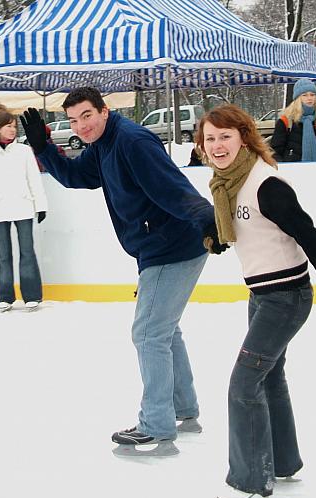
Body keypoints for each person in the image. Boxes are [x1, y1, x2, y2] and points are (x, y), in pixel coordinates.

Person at [20, 87, 223, 455]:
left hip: (172, 246)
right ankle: (183, 409)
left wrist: (206, 217)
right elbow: (74, 176)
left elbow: (170, 186)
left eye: (86, 116)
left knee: (148, 333)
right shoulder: (103, 145)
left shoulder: (132, 141)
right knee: (164, 330)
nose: (80, 126)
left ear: (104, 110)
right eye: (72, 120)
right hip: (159, 245)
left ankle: (157, 425)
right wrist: (43, 148)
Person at [195, 104, 316, 498]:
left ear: (244, 138)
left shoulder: (266, 185)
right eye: (210, 138)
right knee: (269, 378)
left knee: (244, 383)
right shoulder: (227, 183)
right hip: (262, 294)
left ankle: (249, 480)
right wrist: (218, 240)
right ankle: (283, 462)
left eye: (225, 137)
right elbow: (250, 231)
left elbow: (309, 234)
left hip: (285, 298)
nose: (216, 145)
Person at [0, 111, 47, 312]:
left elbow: (34, 179)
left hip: (23, 207)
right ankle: (5, 296)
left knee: (27, 251)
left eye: (14, 126)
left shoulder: (24, 151)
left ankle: (32, 295)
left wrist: (41, 206)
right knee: (4, 254)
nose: (12, 129)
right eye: (8, 126)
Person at [270, 78, 316, 162]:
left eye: (312, 94)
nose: (309, 98)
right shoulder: (286, 121)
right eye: (304, 95)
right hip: (292, 170)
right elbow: (276, 151)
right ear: (297, 98)